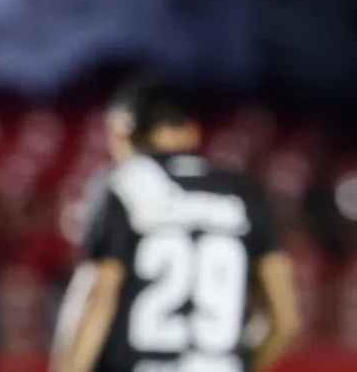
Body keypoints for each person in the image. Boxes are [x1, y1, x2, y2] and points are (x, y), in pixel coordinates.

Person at [51, 78, 300, 372]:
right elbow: (286, 320)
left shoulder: (123, 185)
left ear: (120, 134)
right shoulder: (244, 192)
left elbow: (98, 298)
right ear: (192, 131)